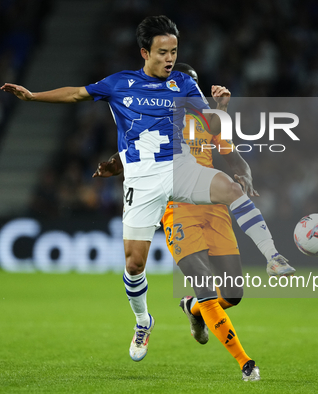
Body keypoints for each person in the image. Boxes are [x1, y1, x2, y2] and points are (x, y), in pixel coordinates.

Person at [1, 15, 294, 381]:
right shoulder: (119, 83)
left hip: (179, 166)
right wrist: (32, 95)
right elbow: (77, 93)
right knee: (135, 263)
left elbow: (212, 127)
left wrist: (219, 109)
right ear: (145, 52)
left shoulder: (183, 83)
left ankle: (273, 256)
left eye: (174, 51)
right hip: (141, 179)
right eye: (162, 52)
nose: (170, 58)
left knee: (230, 190)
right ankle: (143, 321)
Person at [93, 63, 266, 380]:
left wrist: (245, 174)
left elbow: (234, 156)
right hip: (178, 209)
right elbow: (134, 150)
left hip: (213, 209)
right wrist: (114, 164)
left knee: (233, 294)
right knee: (204, 285)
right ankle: (245, 362)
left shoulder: (208, 123)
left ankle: (194, 309)